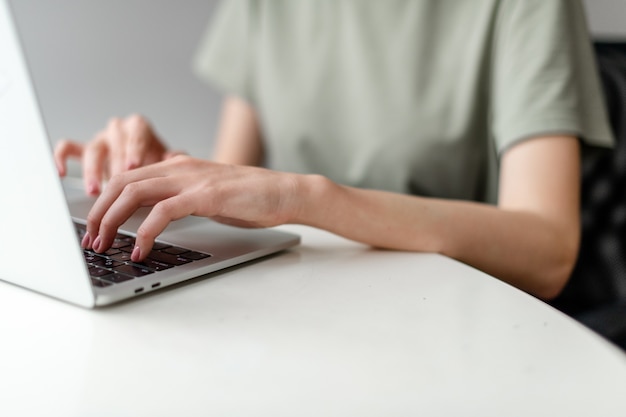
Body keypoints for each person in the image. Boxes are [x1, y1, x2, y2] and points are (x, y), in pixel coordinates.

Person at [54, 0, 614, 301]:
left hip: (443, 326)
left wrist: (301, 195)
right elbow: (231, 178)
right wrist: (162, 172)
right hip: (306, 309)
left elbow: (549, 252)